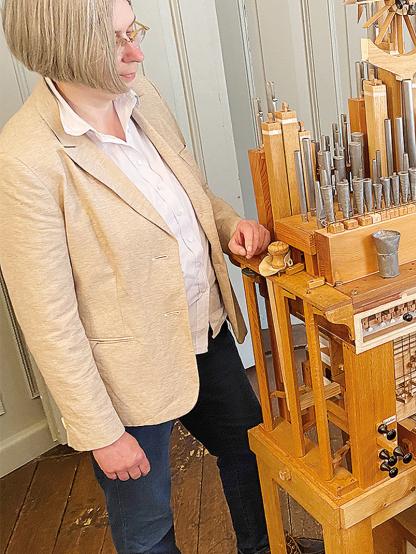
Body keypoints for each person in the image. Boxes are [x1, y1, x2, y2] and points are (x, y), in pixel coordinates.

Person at [0, 1, 271, 552]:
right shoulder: (24, 159)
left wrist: (227, 224)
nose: (136, 53)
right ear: (65, 47)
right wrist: (102, 433)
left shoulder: (140, 94)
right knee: (147, 527)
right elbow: (48, 320)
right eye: (117, 41)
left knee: (251, 454)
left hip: (207, 332)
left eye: (134, 32)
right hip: (127, 380)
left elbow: (186, 191)